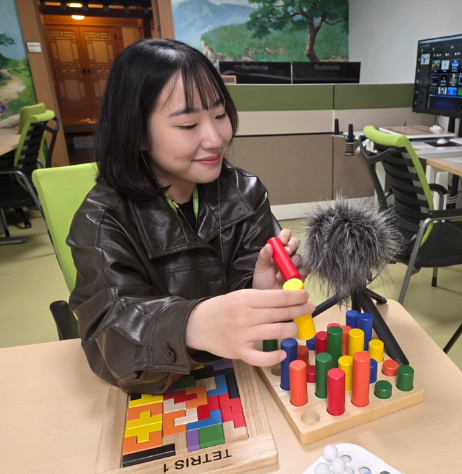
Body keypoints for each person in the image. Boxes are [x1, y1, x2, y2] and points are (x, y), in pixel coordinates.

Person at [67, 38, 313, 394]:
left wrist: (259, 292)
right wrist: (189, 325)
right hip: (166, 390)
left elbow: (244, 306)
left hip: (239, 378)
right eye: (187, 125)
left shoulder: (245, 192)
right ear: (137, 133)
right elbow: (111, 341)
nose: (215, 139)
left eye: (220, 115)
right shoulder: (102, 221)